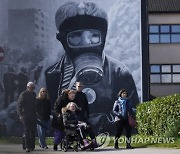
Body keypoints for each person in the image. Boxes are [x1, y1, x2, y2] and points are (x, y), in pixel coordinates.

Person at [45, 2, 139, 134]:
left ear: (104, 36)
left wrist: (102, 124)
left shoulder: (119, 73)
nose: (86, 42)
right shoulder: (52, 74)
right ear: (62, 39)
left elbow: (132, 114)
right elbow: (49, 110)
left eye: (94, 36)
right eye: (76, 36)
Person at [74, 81, 98, 148]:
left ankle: (94, 141)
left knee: (89, 127)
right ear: (76, 87)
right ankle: (83, 143)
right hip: (75, 117)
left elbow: (86, 105)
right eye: (78, 86)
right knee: (80, 128)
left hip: (83, 115)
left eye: (81, 86)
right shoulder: (73, 94)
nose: (80, 87)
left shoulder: (83, 95)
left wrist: (87, 113)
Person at [17, 82, 36, 152]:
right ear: (28, 87)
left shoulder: (34, 94)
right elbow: (19, 105)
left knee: (33, 131)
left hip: (33, 115)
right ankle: (27, 146)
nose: (33, 89)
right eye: (32, 88)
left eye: (34, 88)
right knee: (27, 130)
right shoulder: (23, 94)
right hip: (25, 115)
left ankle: (32, 146)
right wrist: (20, 115)